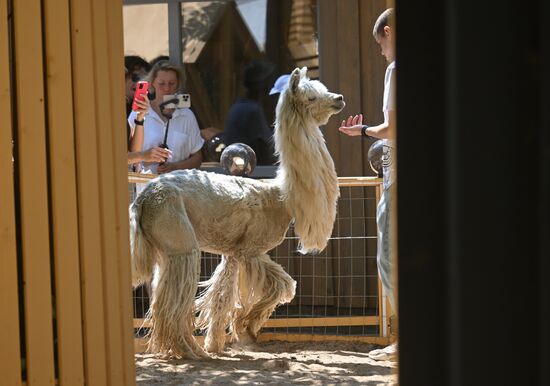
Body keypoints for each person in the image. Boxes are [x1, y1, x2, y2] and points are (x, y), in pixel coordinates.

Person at [338, 8, 397, 361]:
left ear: (388, 32)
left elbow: (391, 128)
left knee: (389, 258)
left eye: (380, 44)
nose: (381, 52)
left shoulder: (395, 68)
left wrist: (359, 131)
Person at [128, 60, 204, 174]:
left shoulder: (187, 115)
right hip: (145, 186)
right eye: (162, 84)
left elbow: (197, 158)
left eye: (171, 83)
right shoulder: (138, 113)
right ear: (152, 83)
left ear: (178, 84)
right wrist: (146, 157)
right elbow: (128, 156)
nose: (167, 88)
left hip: (178, 186)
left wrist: (175, 167)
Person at [222, 60, 278, 165]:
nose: (271, 85)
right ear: (260, 85)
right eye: (268, 81)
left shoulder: (240, 106)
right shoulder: (251, 110)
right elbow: (267, 150)